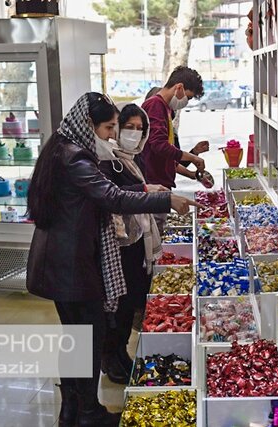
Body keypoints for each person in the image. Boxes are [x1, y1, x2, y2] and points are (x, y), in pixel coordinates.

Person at [26, 92, 199, 427]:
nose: (111, 134)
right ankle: (88, 413)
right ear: (88, 124)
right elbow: (112, 197)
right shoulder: (76, 157)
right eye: (108, 127)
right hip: (72, 264)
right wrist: (164, 199)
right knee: (88, 337)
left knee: (75, 337)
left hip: (60, 259)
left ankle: (72, 410)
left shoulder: (61, 148)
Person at [97, 103, 163, 384]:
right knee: (117, 304)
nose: (134, 134)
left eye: (140, 129)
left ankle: (121, 352)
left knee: (130, 301)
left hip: (137, 241)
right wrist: (146, 192)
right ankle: (110, 358)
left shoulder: (134, 159)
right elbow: (114, 195)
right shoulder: (104, 159)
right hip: (118, 243)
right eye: (128, 128)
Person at [144, 86, 209, 180]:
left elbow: (172, 161)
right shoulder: (147, 133)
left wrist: (194, 153)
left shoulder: (170, 132)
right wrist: (192, 157)